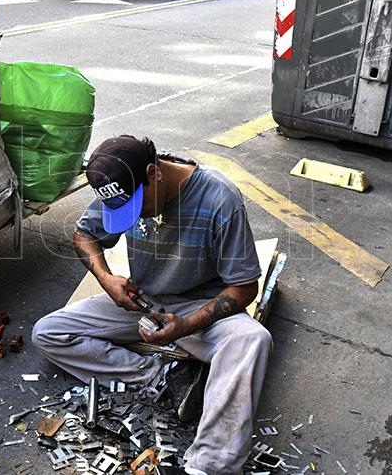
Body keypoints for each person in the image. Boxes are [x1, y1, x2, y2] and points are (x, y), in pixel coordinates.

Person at [32, 135, 273, 475]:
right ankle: (161, 378)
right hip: (143, 301)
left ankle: (209, 465)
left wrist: (187, 326)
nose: (134, 216)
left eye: (138, 207)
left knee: (253, 340)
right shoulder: (121, 188)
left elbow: (245, 286)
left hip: (199, 305)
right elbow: (83, 235)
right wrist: (106, 278)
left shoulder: (219, 197)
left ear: (153, 172)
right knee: (48, 333)